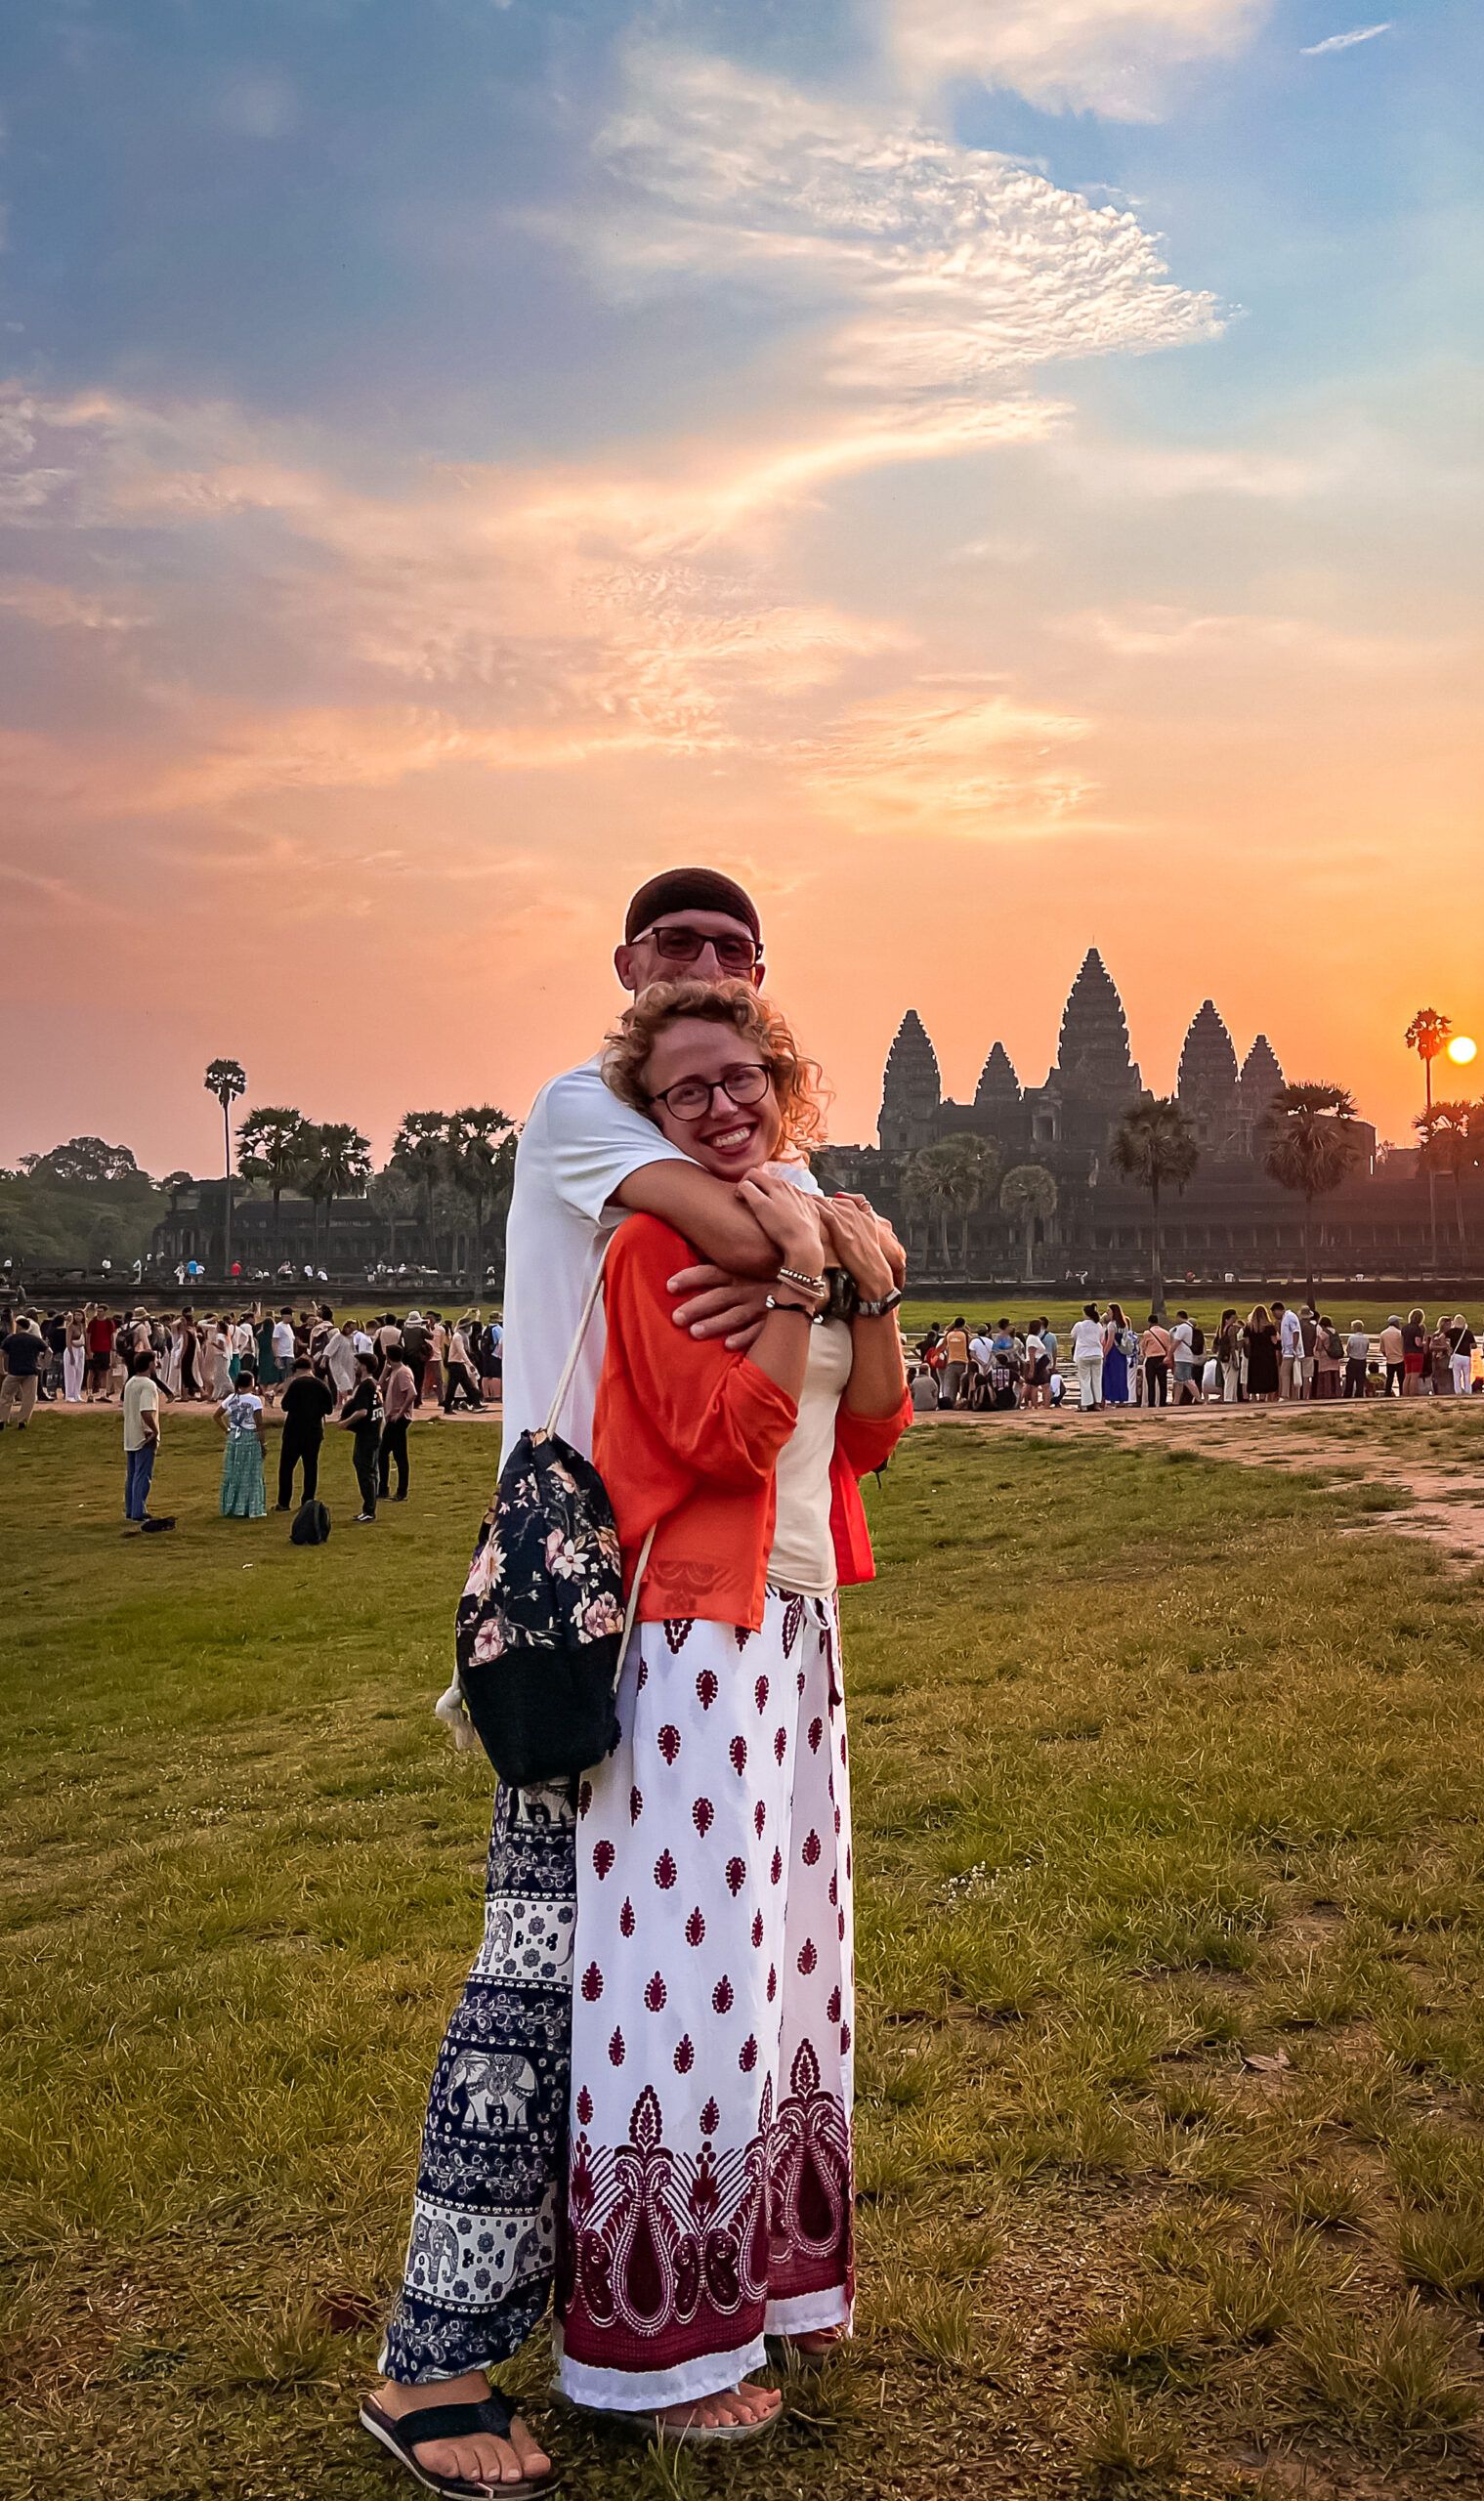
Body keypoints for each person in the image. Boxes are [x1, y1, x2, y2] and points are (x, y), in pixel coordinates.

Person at [372, 870, 893, 2495]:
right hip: (597, 1591)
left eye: (737, 961)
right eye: (679, 956)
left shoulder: (752, 1169)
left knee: (758, 1969)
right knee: (554, 1979)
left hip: (763, 1618)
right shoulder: (585, 1126)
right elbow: (769, 1256)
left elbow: (849, 1345)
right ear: (626, 984)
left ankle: (749, 2277)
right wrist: (819, 1249)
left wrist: (838, 1254)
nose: (712, 981)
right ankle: (442, 2364)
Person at [560, 979, 908, 2437]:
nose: (723, 1105)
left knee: (788, 1964)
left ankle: (777, 2283)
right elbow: (726, 1436)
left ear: (784, 1082)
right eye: (687, 1089)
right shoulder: (654, 1241)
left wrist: (855, 1284)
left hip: (802, 1619)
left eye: (745, 1076)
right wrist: (799, 1289)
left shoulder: (809, 1220)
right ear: (650, 1117)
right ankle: (662, 2355)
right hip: (692, 1630)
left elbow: (874, 1427)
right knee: (682, 1979)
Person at [122, 1348, 172, 1531]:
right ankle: (138, 1510)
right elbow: (146, 1411)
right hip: (144, 1436)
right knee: (143, 1474)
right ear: (150, 1364)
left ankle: (130, 1508)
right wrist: (154, 1430)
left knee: (133, 1474)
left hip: (130, 1433)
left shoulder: (130, 1383)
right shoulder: (148, 1385)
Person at [276, 1355, 334, 1510]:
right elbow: (329, 1409)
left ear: (297, 1370)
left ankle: (284, 1502)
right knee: (310, 1467)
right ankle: (307, 1500)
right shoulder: (321, 1385)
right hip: (314, 1431)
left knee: (287, 1468)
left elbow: (285, 1406)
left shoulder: (296, 1384)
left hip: (294, 1431)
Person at [338, 1355, 384, 1523]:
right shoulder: (375, 1384)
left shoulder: (366, 1386)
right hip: (375, 1433)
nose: (355, 1367)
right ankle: (370, 1507)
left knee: (365, 1472)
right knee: (372, 1471)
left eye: (357, 1364)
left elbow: (362, 1411)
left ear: (364, 1367)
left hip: (366, 1435)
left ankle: (369, 1510)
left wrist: (345, 1423)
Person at [217, 1377, 269, 1518]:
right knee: (251, 1472)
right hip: (249, 1437)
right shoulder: (255, 1400)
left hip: (234, 1436)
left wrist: (227, 1430)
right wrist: (263, 1443)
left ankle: (231, 1505)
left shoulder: (231, 1398)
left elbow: (216, 1416)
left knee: (234, 1471)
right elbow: (259, 1424)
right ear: (251, 1384)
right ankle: (250, 1506)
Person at [379, 1347, 417, 1498]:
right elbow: (380, 1386)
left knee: (397, 1455)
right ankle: (384, 1488)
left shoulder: (402, 1372)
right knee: (384, 1454)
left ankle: (400, 1490)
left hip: (398, 1419)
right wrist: (385, 1370)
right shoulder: (396, 1371)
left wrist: (401, 1412)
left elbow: (412, 1393)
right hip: (393, 1417)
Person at [0, 1312, 42, 1428]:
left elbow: (1, 1354)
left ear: (18, 1326)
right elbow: (48, 1351)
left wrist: (2, 1369)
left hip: (14, 1371)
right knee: (29, 1398)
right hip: (30, 1371)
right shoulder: (34, 1339)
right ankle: (22, 1421)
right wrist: (42, 1366)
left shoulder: (11, 1339)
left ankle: (2, 1419)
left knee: (6, 1396)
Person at [1071, 1304, 1106, 1411]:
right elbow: (1101, 1337)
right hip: (1096, 1354)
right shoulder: (1098, 1325)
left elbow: (1073, 1336)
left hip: (1083, 1354)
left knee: (1085, 1380)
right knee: (1097, 1379)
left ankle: (1085, 1404)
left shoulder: (1079, 1325)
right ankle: (1096, 1403)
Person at [1243, 1305, 1279, 1403]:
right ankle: (1262, 1397)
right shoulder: (1269, 1327)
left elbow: (1246, 1342)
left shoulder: (1249, 1327)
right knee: (1265, 1376)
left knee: (1254, 1375)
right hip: (1267, 1355)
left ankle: (1253, 1396)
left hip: (1254, 1355)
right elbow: (1274, 1342)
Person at [1140, 1315, 1173, 1408]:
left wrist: (1144, 1354)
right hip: (1162, 1358)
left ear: (1149, 1322)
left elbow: (1143, 1347)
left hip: (1151, 1359)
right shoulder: (1166, 1333)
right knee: (1163, 1382)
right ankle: (1163, 1402)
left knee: (1151, 1383)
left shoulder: (1147, 1333)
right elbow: (1168, 1347)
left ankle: (1151, 1403)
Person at [1101, 1305, 1131, 1406]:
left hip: (1113, 1351)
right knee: (1121, 1375)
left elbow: (1109, 1341)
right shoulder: (1124, 1324)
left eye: (1109, 1311)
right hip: (1121, 1352)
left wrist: (1104, 1354)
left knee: (1111, 1375)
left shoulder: (1111, 1325)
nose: (1107, 1313)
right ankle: (1122, 1398)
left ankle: (1112, 1398)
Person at [1276, 1300, 1305, 1401]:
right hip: (1287, 1350)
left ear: (1279, 1310)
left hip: (1290, 1351)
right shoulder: (1284, 1319)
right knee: (1291, 1374)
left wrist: (1294, 1347)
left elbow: (1295, 1332)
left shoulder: (1290, 1317)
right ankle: (1293, 1395)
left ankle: (1285, 1395)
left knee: (1284, 1372)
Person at [941, 1317, 969, 1410]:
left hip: (951, 1362)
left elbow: (945, 1347)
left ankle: (949, 1404)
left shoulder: (949, 1335)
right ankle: (963, 1404)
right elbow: (971, 1344)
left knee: (950, 1387)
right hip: (963, 1362)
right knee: (964, 1386)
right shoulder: (965, 1335)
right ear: (963, 1325)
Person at [1447, 1314, 1475, 1397]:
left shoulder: (1451, 1332)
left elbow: (1441, 1337)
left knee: (1456, 1375)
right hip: (1466, 1356)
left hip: (1456, 1356)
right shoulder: (1468, 1332)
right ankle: (1468, 1391)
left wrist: (1448, 1347)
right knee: (1467, 1375)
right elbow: (1474, 1345)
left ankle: (1458, 1392)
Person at [1343, 1321, 1371, 1401]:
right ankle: (1359, 1396)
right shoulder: (1366, 1338)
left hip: (1353, 1360)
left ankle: (1347, 1395)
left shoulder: (1352, 1338)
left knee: (1350, 1380)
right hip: (1362, 1361)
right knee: (1360, 1381)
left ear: (1354, 1328)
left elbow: (1348, 1349)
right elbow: (1366, 1350)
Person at [1403, 1309, 1427, 1397]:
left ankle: (1405, 1394)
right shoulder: (1417, 1328)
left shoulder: (1405, 1328)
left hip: (1406, 1353)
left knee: (1407, 1375)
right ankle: (1413, 1394)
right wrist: (1424, 1343)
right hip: (1416, 1353)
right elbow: (1418, 1343)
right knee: (1414, 1376)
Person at [1378, 1313, 1403, 1394]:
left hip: (1389, 1360)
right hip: (1400, 1359)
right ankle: (1402, 1393)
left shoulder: (1383, 1334)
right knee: (1401, 1379)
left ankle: (1387, 1394)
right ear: (1396, 1323)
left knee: (1389, 1379)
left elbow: (1382, 1349)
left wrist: (1387, 1356)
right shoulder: (1400, 1333)